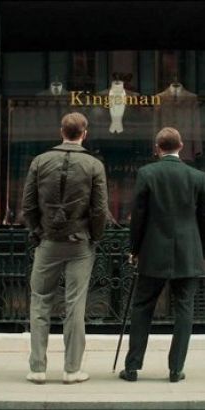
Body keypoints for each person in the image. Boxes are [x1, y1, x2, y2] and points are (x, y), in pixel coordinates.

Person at [22, 112, 108, 384]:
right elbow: (99, 210)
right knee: (75, 305)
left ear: (62, 131)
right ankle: (72, 370)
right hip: (79, 242)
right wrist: (94, 237)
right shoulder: (94, 165)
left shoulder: (40, 161)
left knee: (40, 302)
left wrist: (37, 232)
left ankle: (37, 368)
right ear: (85, 133)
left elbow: (28, 205)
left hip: (48, 241)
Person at [119, 127, 205, 383]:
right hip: (188, 252)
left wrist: (134, 249)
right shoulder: (198, 177)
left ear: (157, 148)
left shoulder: (147, 173)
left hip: (153, 251)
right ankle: (176, 369)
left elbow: (139, 217)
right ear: (181, 146)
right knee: (184, 309)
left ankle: (132, 367)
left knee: (142, 307)